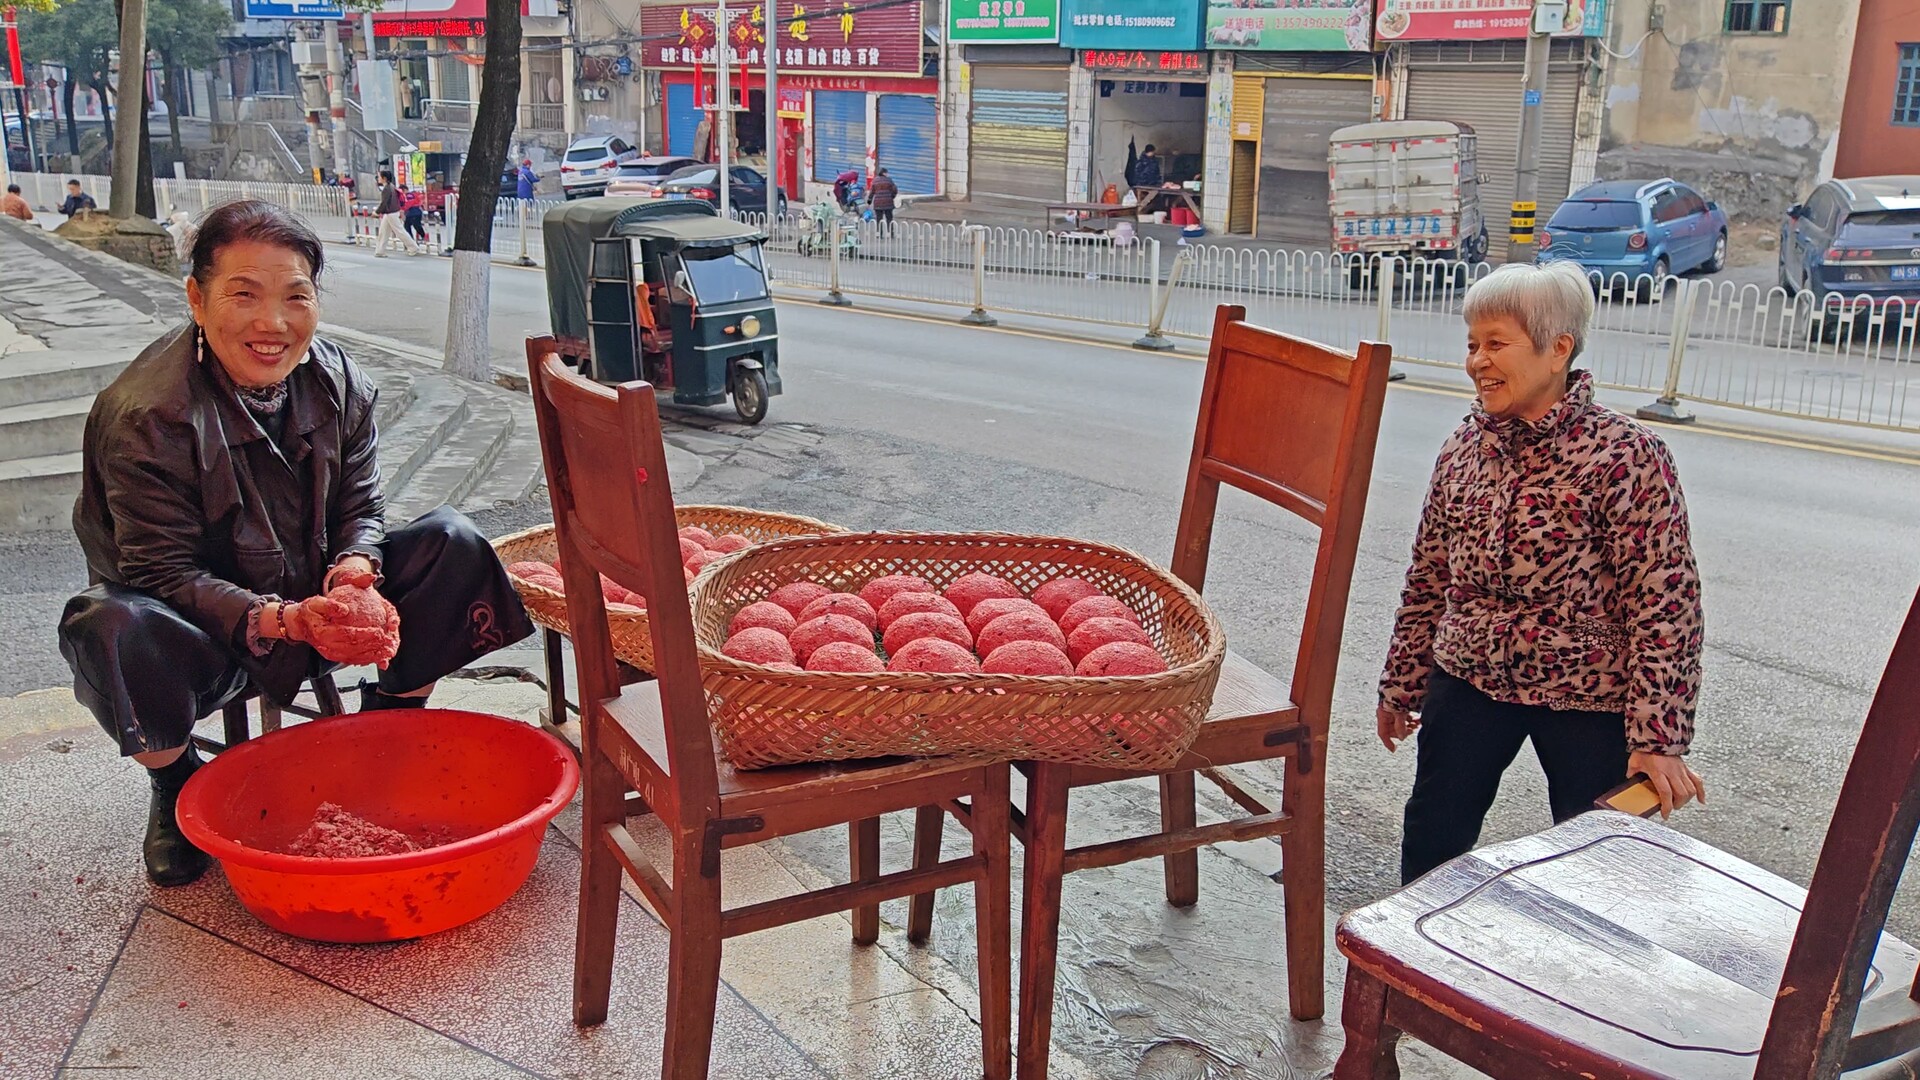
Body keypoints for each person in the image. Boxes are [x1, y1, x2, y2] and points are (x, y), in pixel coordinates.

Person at [57, 200, 535, 887]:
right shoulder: (147, 415)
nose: (271, 325)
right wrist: (280, 619)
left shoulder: (340, 383)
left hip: (316, 588)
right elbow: (158, 569)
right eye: (243, 296)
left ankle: (391, 722)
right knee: (107, 625)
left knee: (453, 542)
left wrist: (354, 570)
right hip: (201, 629)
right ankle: (175, 780)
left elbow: (361, 503)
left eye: (294, 297)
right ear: (196, 297)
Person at [1376, 260, 1707, 885]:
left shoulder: (1625, 456)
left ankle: (1588, 981)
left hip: (1588, 692)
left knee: (1599, 864)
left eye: (1496, 344)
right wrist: (1402, 683)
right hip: (1469, 675)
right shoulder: (1463, 448)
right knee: (1433, 836)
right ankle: (1414, 970)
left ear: (1559, 349)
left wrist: (1659, 736)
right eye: (1472, 344)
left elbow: (1666, 603)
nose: (1477, 361)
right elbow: (1430, 576)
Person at [372, 170, 421, 257]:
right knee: (383, 232)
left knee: (399, 231)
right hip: (390, 213)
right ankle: (379, 251)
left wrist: (376, 212)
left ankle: (413, 248)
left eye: (379, 177)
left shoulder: (386, 189)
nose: (378, 179)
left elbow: (384, 203)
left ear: (384, 178)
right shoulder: (391, 186)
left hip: (391, 213)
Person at [867, 167, 898, 238]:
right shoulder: (889, 180)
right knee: (889, 218)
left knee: (879, 219)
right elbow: (895, 190)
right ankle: (891, 233)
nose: (887, 174)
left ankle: (879, 234)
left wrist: (869, 200)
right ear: (884, 173)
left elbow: (872, 192)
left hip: (878, 203)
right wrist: (891, 196)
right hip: (888, 202)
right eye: (886, 172)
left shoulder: (875, 180)